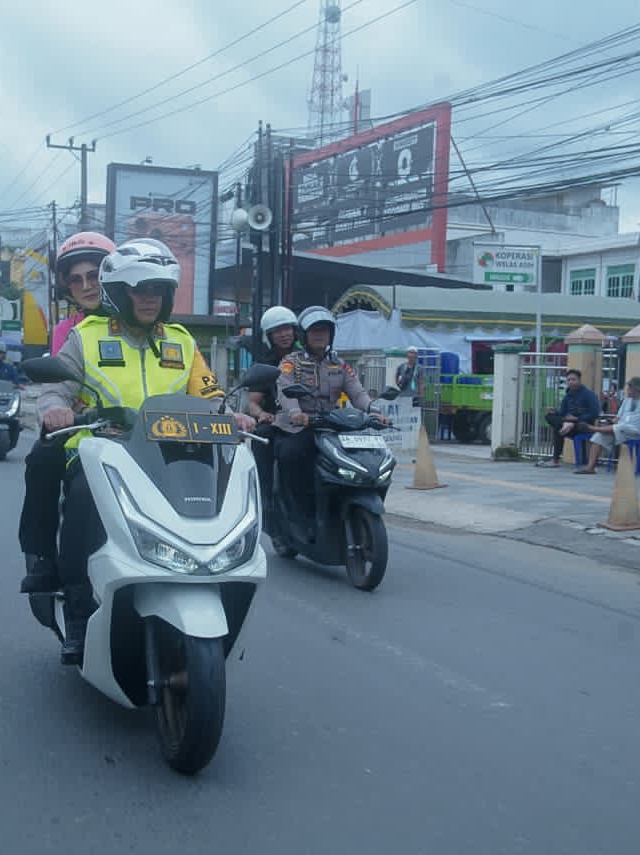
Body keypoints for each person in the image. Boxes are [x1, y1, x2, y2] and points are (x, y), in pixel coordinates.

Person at [36, 237, 255, 664]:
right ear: (119, 293)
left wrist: (234, 416)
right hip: (103, 453)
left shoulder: (181, 341)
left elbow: (211, 394)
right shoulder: (87, 337)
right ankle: (78, 613)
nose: (150, 297)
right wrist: (55, 410)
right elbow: (55, 389)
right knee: (81, 502)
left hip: (173, 454)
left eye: (158, 289)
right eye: (139, 289)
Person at [18, 232, 117, 594]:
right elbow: (61, 383)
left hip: (148, 432)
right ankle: (45, 557)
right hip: (89, 430)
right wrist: (59, 409)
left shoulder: (157, 328)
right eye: (76, 279)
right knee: (42, 458)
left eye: (94, 275)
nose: (87, 286)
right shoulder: (69, 331)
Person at [273, 305, 386, 530]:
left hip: (331, 426)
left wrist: (374, 410)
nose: (320, 335)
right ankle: (299, 515)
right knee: (292, 455)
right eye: (315, 331)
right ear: (304, 335)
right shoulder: (290, 362)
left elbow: (357, 393)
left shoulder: (339, 364)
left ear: (331, 335)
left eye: (324, 330)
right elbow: (285, 390)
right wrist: (296, 413)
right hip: (297, 427)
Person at [247, 306, 299, 519]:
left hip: (306, 418)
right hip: (275, 419)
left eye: (287, 328)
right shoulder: (264, 364)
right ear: (269, 336)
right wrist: (261, 414)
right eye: (277, 331)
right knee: (261, 436)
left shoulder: (307, 357)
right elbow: (252, 403)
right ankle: (264, 498)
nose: (284, 334)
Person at [573, 376, 640, 474]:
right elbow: (618, 418)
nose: (627, 390)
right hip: (620, 430)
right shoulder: (627, 400)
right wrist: (611, 421)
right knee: (599, 436)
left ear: (636, 390)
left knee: (621, 427)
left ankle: (593, 428)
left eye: (629, 388)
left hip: (636, 431)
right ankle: (590, 467)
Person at [536, 368, 601, 468]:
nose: (571, 382)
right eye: (569, 380)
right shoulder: (568, 395)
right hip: (567, 425)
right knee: (549, 417)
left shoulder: (589, 394)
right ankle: (565, 425)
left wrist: (576, 419)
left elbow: (594, 413)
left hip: (583, 425)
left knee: (558, 428)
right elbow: (562, 412)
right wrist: (555, 411)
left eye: (573, 379)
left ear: (579, 380)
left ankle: (555, 460)